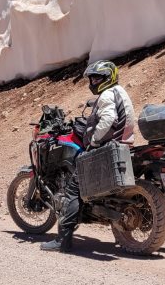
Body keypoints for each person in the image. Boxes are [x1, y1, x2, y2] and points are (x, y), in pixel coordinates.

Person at [40, 60, 135, 252]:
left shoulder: (107, 94)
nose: (92, 82)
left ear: (109, 78)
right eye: (91, 78)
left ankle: (62, 242)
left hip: (106, 145)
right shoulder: (119, 91)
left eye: (97, 78)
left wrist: (94, 140)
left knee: (73, 190)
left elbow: (108, 118)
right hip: (121, 143)